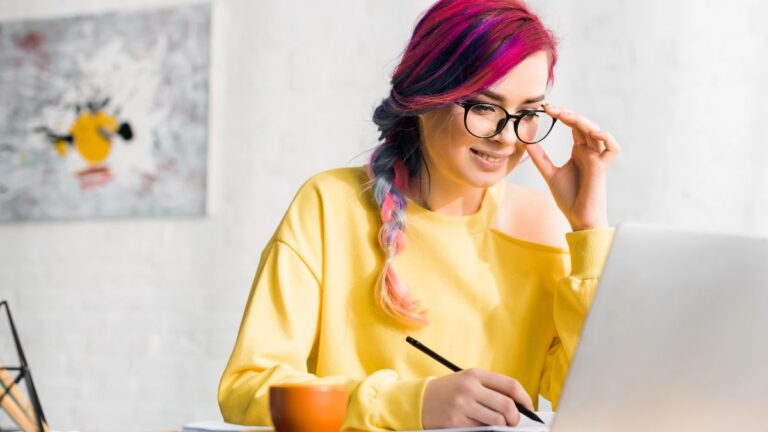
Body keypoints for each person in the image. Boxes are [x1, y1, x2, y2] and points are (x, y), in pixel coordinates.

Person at [218, 0, 620, 430]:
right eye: (484, 107)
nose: (508, 138)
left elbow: (585, 400)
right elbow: (248, 389)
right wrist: (415, 404)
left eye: (528, 113)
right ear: (426, 96)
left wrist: (588, 229)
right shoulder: (330, 206)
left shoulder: (544, 224)